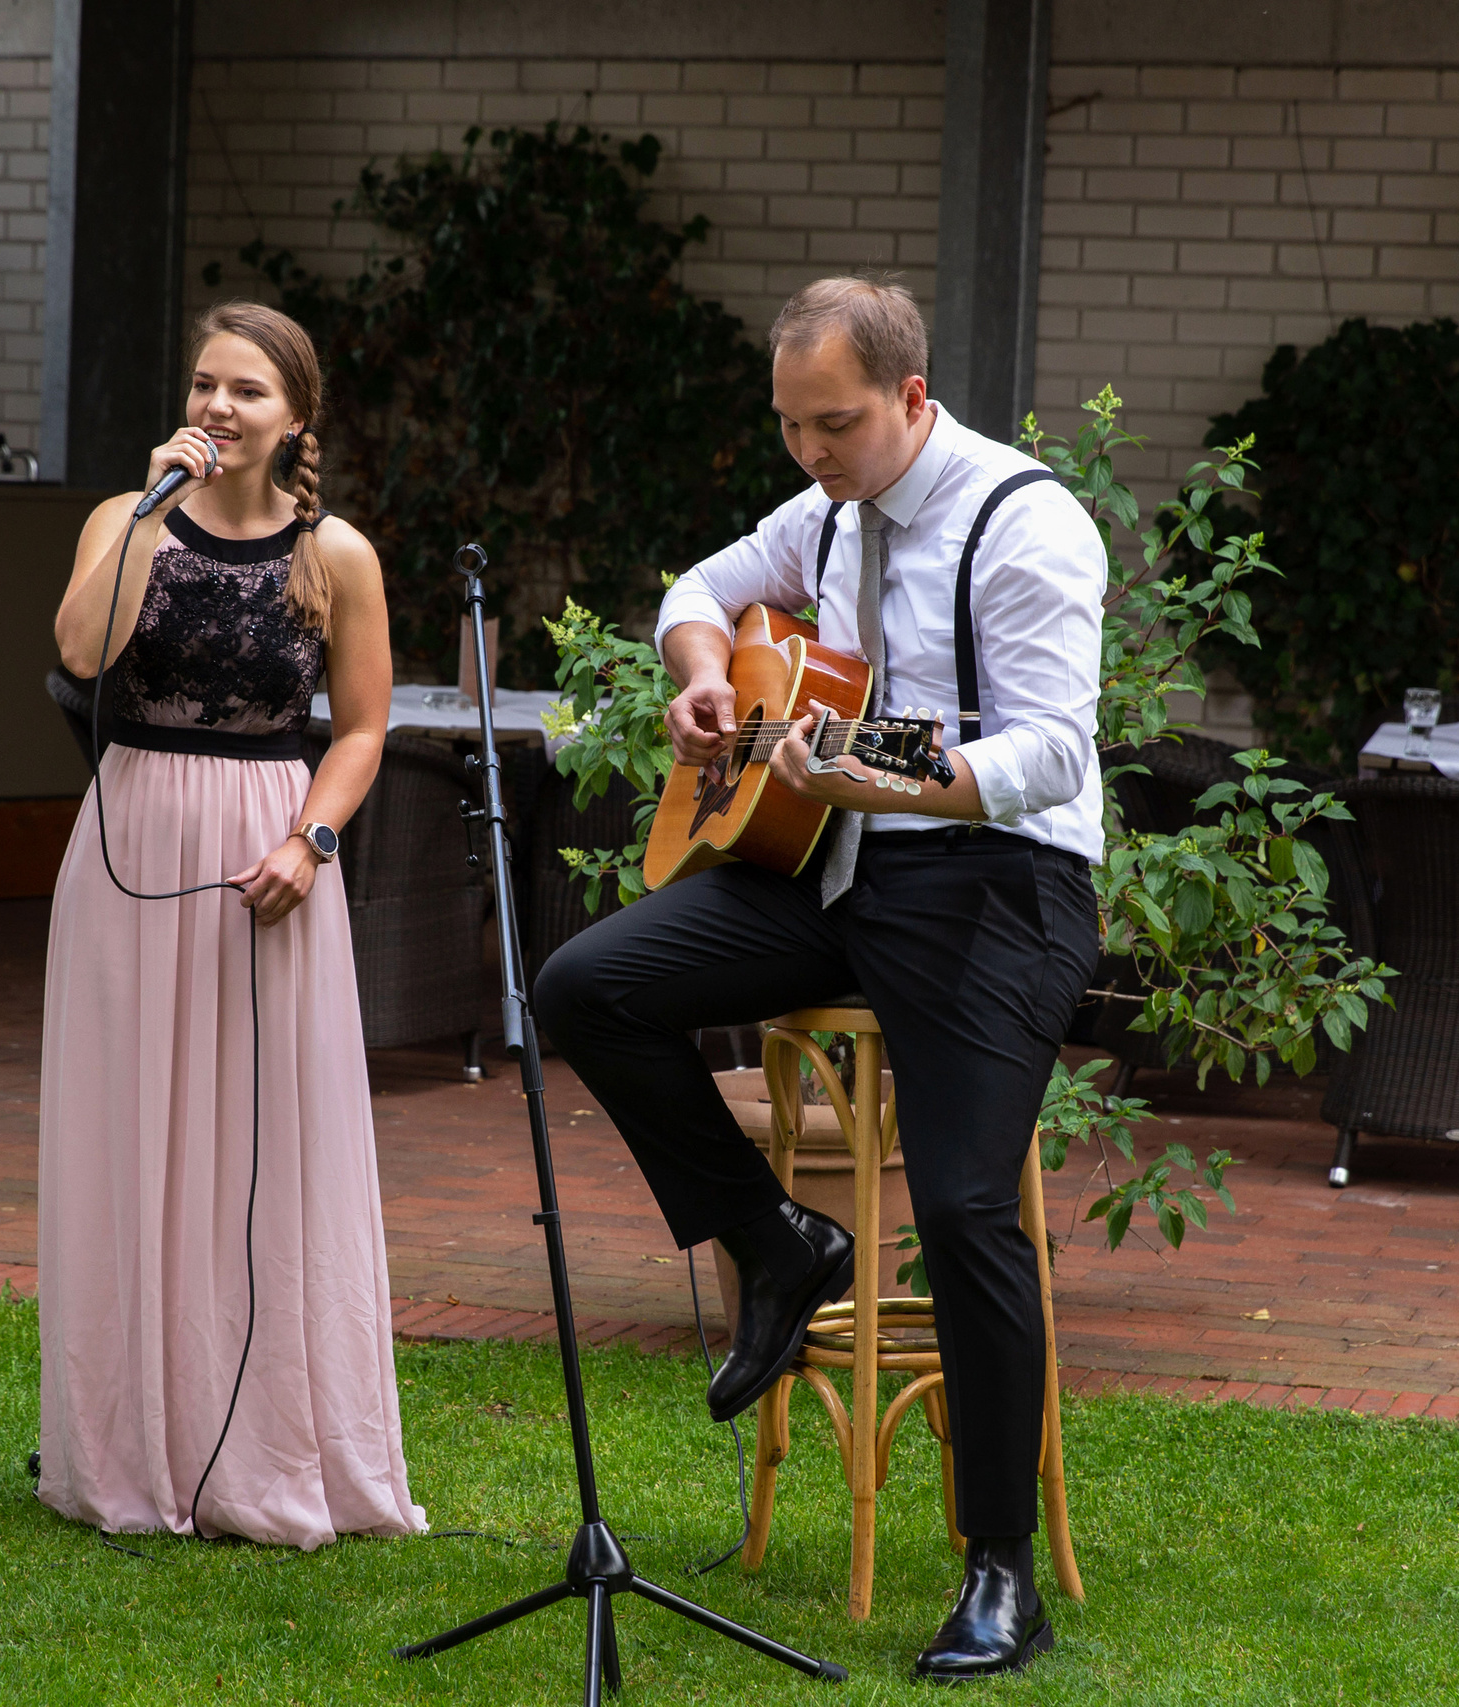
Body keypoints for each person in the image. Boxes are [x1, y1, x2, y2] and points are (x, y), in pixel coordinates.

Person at [532, 276, 1105, 1678]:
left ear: (912, 398)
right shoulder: (829, 509)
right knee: (584, 984)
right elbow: (702, 587)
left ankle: (997, 1568)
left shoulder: (1024, 522)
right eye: (790, 426)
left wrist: (866, 761)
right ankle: (778, 1243)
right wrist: (699, 673)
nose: (809, 455)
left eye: (833, 424)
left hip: (996, 887)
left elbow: (1048, 753)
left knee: (969, 1206)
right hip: (839, 876)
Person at [35, 301, 424, 1551]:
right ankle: (129, 1445)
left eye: (245, 391)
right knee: (130, 1137)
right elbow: (79, 653)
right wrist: (145, 516)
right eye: (203, 384)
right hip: (130, 842)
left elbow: (361, 728)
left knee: (270, 1148)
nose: (215, 407)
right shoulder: (125, 520)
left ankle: (266, 1441)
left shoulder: (336, 557)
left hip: (270, 854)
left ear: (295, 418)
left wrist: (311, 842)